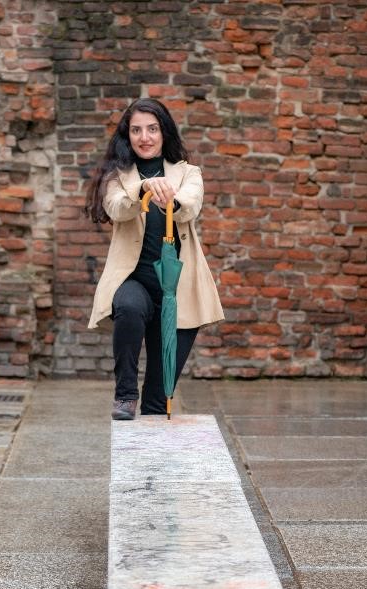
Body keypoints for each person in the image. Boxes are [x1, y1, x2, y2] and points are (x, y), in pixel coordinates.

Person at [85, 98, 224, 420]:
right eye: (136, 130)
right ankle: (124, 394)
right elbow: (117, 208)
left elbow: (191, 205)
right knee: (129, 307)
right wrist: (143, 188)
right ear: (127, 135)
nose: (144, 137)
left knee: (159, 403)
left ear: (164, 133)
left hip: (178, 289)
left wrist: (169, 199)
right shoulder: (116, 177)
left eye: (152, 129)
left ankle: (151, 462)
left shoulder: (189, 173)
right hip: (135, 280)